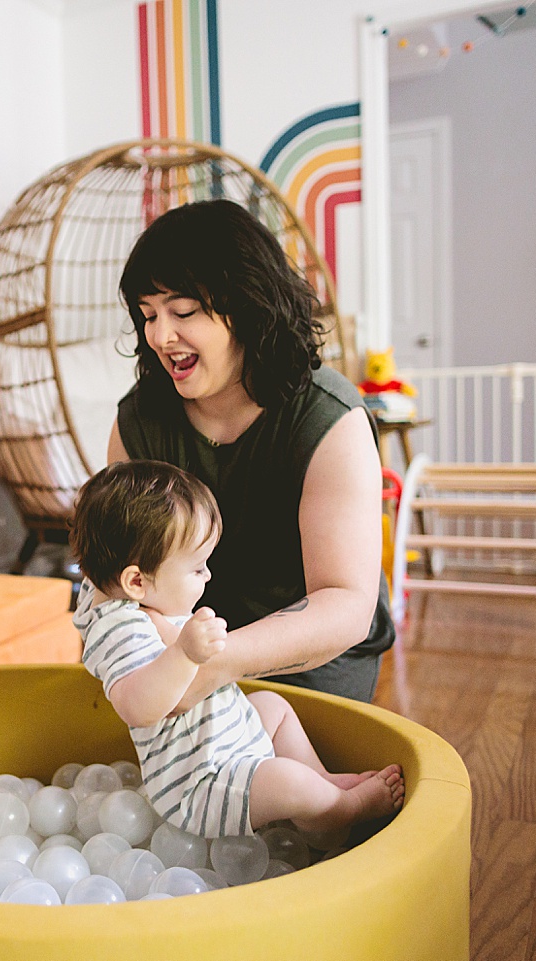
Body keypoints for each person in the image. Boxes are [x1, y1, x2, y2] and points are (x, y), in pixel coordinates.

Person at [105, 198, 394, 706]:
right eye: (148, 315)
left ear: (246, 306)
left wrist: (214, 661)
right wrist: (159, 654)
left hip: (306, 656)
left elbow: (345, 603)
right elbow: (116, 570)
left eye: (184, 311)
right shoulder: (140, 423)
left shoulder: (329, 420)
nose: (159, 335)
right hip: (181, 648)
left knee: (292, 777)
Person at [70, 460, 403, 840]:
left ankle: (322, 780)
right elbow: (137, 707)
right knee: (287, 781)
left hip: (224, 742)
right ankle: (339, 813)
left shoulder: (131, 595)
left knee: (274, 708)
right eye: (197, 569)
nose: (209, 575)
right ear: (135, 581)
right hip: (201, 782)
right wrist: (183, 654)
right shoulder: (119, 629)